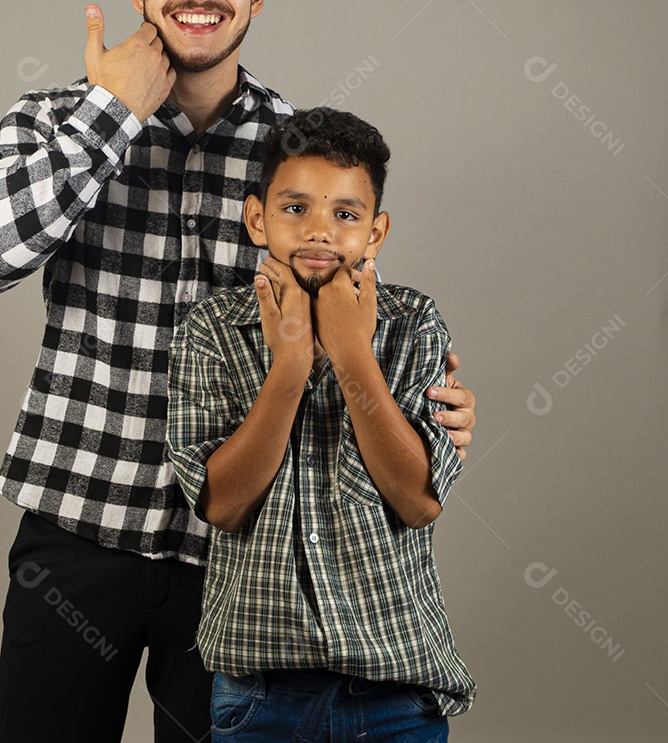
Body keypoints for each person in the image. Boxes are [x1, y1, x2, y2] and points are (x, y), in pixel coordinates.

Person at [0, 0, 477, 743]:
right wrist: (114, 110)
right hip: (79, 524)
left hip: (235, 555)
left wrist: (432, 407)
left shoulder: (293, 154)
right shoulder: (58, 123)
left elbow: (351, 311)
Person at [167, 107, 475, 740]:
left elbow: (417, 501)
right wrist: (290, 365)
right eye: (295, 208)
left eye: (345, 214)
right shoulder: (211, 330)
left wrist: (353, 352)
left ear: (376, 231)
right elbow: (221, 504)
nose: (319, 232)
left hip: (394, 692)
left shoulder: (412, 324)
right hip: (259, 696)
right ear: (257, 218)